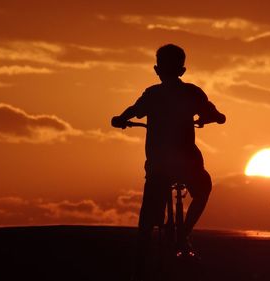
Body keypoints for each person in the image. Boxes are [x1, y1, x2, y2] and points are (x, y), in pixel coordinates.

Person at [111, 44, 225, 279]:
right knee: (203, 188)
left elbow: (134, 110)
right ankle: (184, 234)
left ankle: (140, 265)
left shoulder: (152, 94)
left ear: (157, 70)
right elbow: (213, 112)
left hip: (159, 164)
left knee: (147, 218)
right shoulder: (192, 92)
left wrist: (121, 119)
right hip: (186, 162)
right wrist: (213, 117)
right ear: (182, 70)